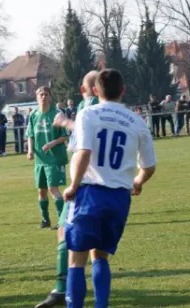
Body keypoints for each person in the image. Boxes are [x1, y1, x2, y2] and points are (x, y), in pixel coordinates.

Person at [62, 69, 156, 308]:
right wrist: (137, 182)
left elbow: (83, 152)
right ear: (122, 91)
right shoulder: (137, 121)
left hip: (89, 193)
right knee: (101, 256)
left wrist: (73, 185)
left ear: (95, 91)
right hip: (118, 198)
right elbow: (149, 166)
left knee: (76, 260)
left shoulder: (87, 114)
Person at [34, 70, 99, 308]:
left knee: (66, 232)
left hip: (85, 183)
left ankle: (62, 290)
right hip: (110, 187)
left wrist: (65, 123)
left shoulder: (88, 108)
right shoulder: (118, 112)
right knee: (95, 248)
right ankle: (95, 299)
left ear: (87, 89)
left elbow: (80, 144)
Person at [26, 86, 69, 229]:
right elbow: (30, 135)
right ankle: (45, 220)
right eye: (40, 94)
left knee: (52, 188)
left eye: (46, 94)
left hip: (55, 158)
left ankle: (62, 221)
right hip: (40, 159)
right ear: (36, 97)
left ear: (50, 97)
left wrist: (52, 143)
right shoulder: (33, 115)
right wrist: (30, 151)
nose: (43, 97)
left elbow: (65, 135)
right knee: (41, 190)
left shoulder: (57, 114)